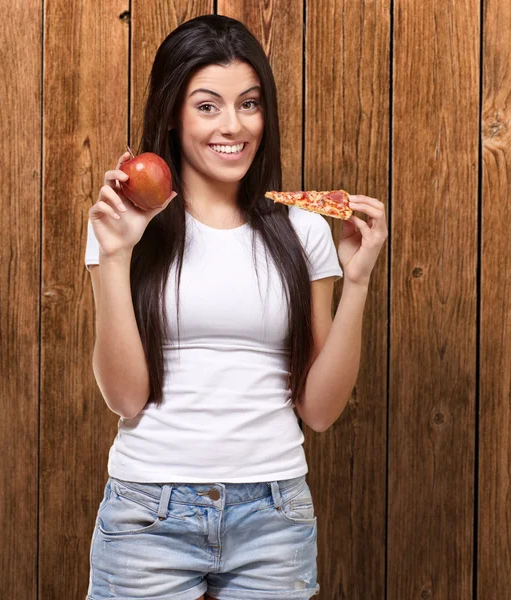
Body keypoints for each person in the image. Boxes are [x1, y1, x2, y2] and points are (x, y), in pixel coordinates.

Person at [83, 14, 387, 600]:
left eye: (249, 104)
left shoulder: (304, 230)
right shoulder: (121, 225)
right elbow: (124, 398)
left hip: (274, 515)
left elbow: (319, 412)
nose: (233, 125)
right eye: (207, 106)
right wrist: (116, 257)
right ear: (172, 113)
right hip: (148, 512)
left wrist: (359, 283)